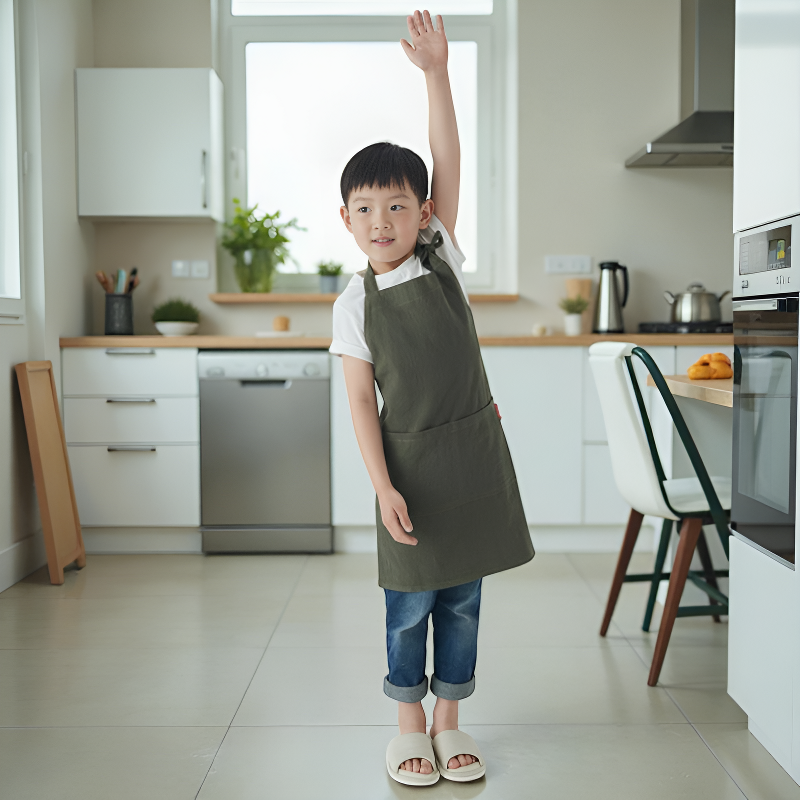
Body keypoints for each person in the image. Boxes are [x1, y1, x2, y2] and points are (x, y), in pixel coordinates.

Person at [329, 9, 534, 787]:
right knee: (410, 604)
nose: (382, 221)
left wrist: (437, 74)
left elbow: (446, 153)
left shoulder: (440, 256)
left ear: (424, 214)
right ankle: (408, 724)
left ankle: (452, 721)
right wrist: (382, 486)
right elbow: (358, 401)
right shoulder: (355, 303)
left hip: (473, 457)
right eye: (365, 209)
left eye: (398, 206)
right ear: (344, 219)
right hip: (410, 469)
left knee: (464, 599)